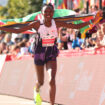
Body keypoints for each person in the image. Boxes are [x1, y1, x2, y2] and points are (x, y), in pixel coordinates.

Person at [0, 3, 102, 105]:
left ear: (53, 13)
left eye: (50, 12)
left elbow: (76, 26)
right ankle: (36, 89)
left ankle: (52, 103)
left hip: (51, 53)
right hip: (39, 53)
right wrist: (2, 28)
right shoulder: (37, 24)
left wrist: (91, 21)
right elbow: (18, 30)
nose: (48, 14)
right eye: (46, 12)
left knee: (52, 80)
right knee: (41, 82)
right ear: (42, 13)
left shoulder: (56, 23)